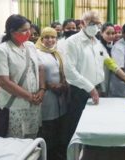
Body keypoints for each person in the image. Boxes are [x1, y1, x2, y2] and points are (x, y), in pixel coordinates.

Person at [62, 10, 125, 158]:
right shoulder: (73, 42)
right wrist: (90, 88)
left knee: (92, 126)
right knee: (77, 126)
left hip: (94, 90)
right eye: (91, 23)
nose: (95, 26)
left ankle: (89, 154)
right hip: (79, 91)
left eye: (97, 23)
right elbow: (70, 72)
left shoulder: (96, 42)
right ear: (82, 24)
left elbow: (110, 62)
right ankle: (72, 155)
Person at [0, 14, 45, 138]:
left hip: (34, 104)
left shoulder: (30, 46)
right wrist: (29, 96)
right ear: (12, 31)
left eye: (29, 29)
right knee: (15, 141)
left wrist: (42, 89)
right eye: (24, 30)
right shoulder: (2, 50)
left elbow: (40, 67)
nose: (29, 33)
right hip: (15, 105)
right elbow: (3, 82)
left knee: (31, 138)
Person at [35, 27, 68, 160]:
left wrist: (64, 84)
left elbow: (64, 70)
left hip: (60, 93)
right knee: (48, 125)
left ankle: (57, 152)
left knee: (59, 124)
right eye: (47, 37)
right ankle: (47, 153)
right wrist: (49, 86)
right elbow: (35, 73)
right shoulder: (37, 53)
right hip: (47, 93)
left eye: (53, 37)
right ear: (41, 39)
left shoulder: (57, 52)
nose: (50, 40)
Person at [97, 22, 115, 96]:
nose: (111, 36)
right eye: (108, 33)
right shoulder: (98, 46)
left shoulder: (112, 46)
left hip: (109, 79)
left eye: (113, 33)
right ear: (101, 33)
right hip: (100, 81)